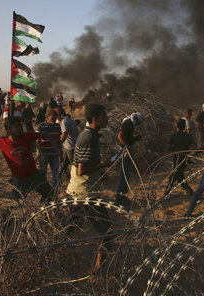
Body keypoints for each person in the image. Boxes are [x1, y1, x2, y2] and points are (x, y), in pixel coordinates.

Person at [66, 104, 113, 271]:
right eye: (104, 115)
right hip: (85, 193)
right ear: (95, 119)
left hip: (81, 190)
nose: (106, 118)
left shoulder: (90, 135)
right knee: (108, 230)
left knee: (71, 227)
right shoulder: (88, 138)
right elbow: (82, 169)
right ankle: (99, 268)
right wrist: (105, 165)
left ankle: (59, 254)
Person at [0, 118, 53, 201]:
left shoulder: (26, 136)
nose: (20, 129)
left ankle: (42, 208)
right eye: (17, 127)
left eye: (20, 126)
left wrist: (56, 146)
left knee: (51, 194)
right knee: (16, 203)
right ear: (8, 130)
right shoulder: (2, 142)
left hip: (34, 176)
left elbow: (43, 134)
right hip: (20, 180)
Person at [115, 112, 144, 206]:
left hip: (126, 151)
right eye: (141, 122)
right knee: (124, 175)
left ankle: (123, 197)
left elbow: (128, 138)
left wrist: (136, 139)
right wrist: (126, 147)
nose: (140, 124)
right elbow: (120, 136)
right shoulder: (128, 123)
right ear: (137, 119)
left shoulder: (130, 124)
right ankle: (118, 200)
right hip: (124, 152)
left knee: (126, 175)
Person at [164, 119, 196, 196]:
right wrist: (187, 152)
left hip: (176, 158)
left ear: (176, 126)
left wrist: (175, 150)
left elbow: (168, 148)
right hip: (184, 158)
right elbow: (195, 146)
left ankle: (164, 196)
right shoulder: (188, 136)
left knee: (176, 178)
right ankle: (192, 195)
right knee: (179, 178)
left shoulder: (174, 135)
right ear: (184, 126)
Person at [36, 108, 62, 193]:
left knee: (56, 174)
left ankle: (55, 192)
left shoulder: (58, 126)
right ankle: (45, 193)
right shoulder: (40, 127)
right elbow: (38, 142)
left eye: (55, 118)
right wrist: (41, 154)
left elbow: (58, 140)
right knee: (43, 175)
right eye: (52, 118)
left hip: (54, 154)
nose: (54, 120)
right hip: (44, 154)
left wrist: (60, 152)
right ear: (47, 117)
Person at [54, 106, 78, 180]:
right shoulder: (69, 119)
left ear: (58, 115)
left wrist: (58, 144)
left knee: (75, 167)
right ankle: (58, 184)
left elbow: (65, 133)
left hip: (70, 147)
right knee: (62, 166)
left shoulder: (64, 121)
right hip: (68, 146)